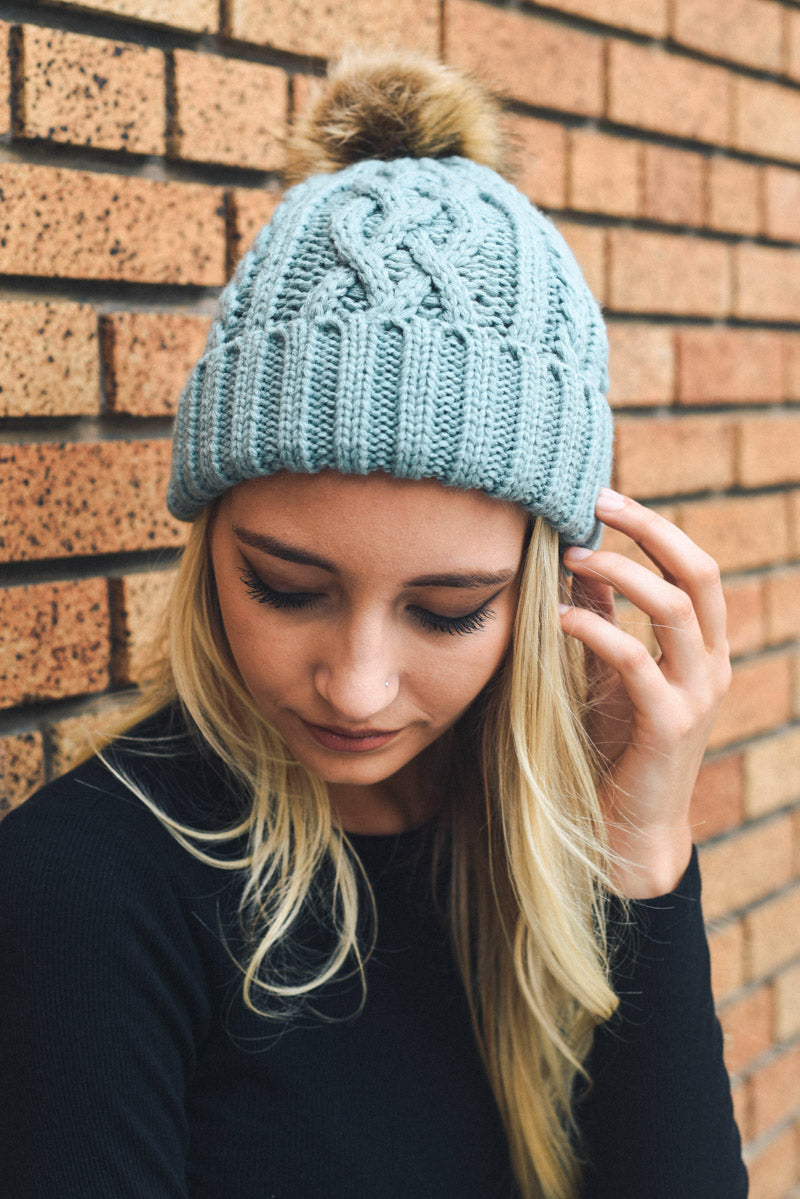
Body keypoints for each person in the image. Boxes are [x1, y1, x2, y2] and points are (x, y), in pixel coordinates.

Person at [0, 50, 747, 1199]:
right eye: (285, 587)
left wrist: (639, 858)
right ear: (209, 550)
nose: (354, 687)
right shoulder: (84, 895)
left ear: (555, 599)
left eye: (446, 611)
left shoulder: (546, 862)